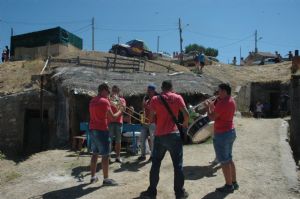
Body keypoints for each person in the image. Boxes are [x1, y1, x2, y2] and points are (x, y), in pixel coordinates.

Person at [140, 80, 189, 199]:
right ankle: (179, 193)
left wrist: (155, 119)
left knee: (156, 164)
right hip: (174, 134)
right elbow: (186, 114)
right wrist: (184, 125)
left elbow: (151, 119)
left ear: (161, 88)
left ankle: (152, 192)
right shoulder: (177, 97)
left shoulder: (155, 99)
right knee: (178, 165)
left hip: (160, 135)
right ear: (171, 87)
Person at [205, 83, 238, 193]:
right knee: (229, 159)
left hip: (222, 134)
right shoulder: (231, 100)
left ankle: (228, 186)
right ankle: (234, 182)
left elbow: (211, 117)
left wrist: (208, 107)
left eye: (219, 91)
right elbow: (221, 113)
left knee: (224, 161)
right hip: (230, 131)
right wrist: (214, 105)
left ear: (224, 91)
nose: (217, 93)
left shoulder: (222, 103)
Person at [89, 83, 123, 185]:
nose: (109, 93)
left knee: (94, 154)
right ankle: (106, 179)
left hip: (92, 129)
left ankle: (93, 177)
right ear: (103, 90)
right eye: (108, 91)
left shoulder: (92, 101)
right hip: (102, 130)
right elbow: (113, 117)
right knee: (105, 155)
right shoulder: (104, 102)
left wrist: (112, 102)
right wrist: (121, 110)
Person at [138, 84, 157, 161]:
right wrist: (143, 107)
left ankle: (152, 156)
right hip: (145, 122)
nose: (148, 92)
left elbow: (156, 111)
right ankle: (143, 155)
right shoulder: (147, 100)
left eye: (149, 91)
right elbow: (143, 111)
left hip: (152, 123)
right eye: (148, 91)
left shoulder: (156, 100)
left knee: (152, 140)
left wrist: (147, 106)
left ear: (153, 91)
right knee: (142, 139)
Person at [108, 85, 126, 163]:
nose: (114, 92)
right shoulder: (108, 99)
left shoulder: (122, 100)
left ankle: (118, 157)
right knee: (109, 140)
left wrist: (117, 100)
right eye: (113, 90)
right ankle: (108, 156)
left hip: (119, 122)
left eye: (116, 90)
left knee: (118, 141)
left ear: (118, 91)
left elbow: (124, 109)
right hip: (109, 122)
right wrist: (111, 100)